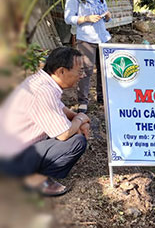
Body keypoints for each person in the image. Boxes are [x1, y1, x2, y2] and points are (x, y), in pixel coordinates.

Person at [0, 47, 90, 196]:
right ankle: (32, 180)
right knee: (75, 142)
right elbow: (64, 134)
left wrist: (78, 118)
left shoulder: (42, 82)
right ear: (61, 71)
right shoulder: (43, 91)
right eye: (79, 71)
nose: (83, 75)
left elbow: (63, 111)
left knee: (73, 130)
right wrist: (81, 118)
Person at [64, 0, 112, 113]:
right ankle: (83, 102)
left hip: (103, 38)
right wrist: (86, 18)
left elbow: (107, 18)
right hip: (86, 39)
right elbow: (68, 18)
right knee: (86, 70)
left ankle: (102, 98)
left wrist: (108, 15)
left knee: (104, 69)